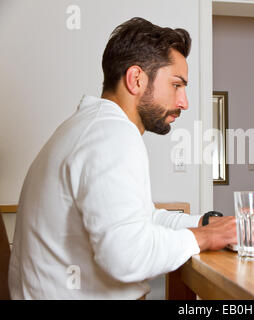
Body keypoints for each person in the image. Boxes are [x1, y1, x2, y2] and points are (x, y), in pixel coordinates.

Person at [8, 17, 237, 300]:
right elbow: (126, 256)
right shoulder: (112, 135)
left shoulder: (89, 127)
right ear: (136, 79)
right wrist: (203, 238)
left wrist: (205, 223)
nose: (184, 102)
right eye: (176, 85)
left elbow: (140, 219)